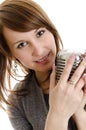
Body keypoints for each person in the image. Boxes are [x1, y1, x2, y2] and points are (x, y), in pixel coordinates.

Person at [0, 0, 86, 130]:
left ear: (51, 29)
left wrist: (79, 112)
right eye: (22, 44)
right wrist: (58, 114)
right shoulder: (18, 102)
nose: (39, 50)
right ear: (11, 54)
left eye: (40, 33)